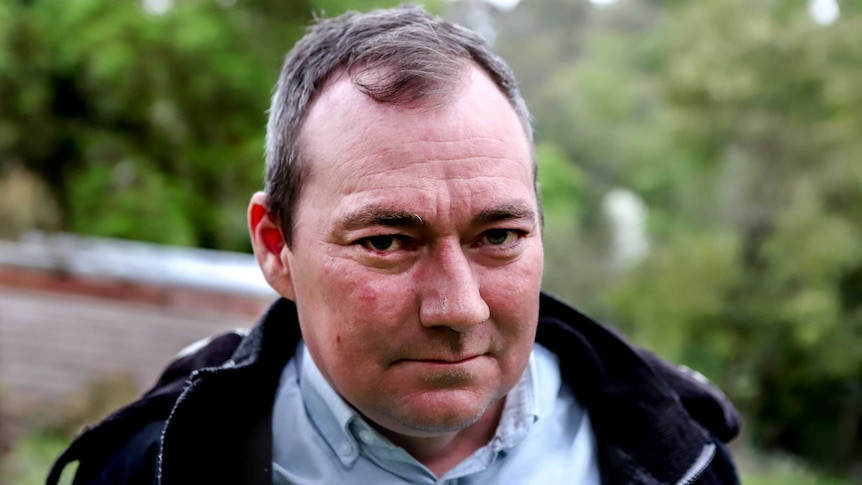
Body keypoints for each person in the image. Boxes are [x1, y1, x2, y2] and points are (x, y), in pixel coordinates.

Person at [48, 5, 740, 484]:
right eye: (386, 241)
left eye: (498, 235)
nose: (459, 307)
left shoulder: (680, 457)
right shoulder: (152, 465)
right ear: (275, 246)